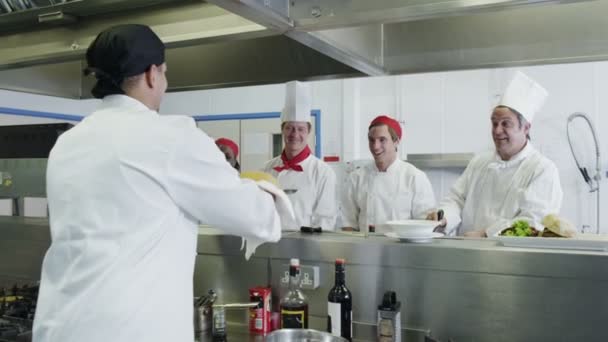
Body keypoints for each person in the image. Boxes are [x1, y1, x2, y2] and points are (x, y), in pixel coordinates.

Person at [32, 24, 283, 342]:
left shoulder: (67, 143)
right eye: (164, 73)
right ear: (153, 74)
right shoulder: (170, 138)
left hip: (60, 326)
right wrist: (267, 189)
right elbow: (257, 217)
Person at [428, 71, 563, 237]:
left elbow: (533, 222)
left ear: (526, 128)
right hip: (469, 254)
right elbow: (457, 199)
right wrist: (444, 218)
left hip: (515, 259)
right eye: (494, 123)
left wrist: (486, 234)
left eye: (506, 124)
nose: (498, 131)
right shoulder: (480, 162)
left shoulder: (542, 169)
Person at [341, 115, 436, 233]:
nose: (375, 146)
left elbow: (425, 224)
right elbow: (348, 223)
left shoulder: (414, 177)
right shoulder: (356, 178)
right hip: (366, 248)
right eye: (371, 140)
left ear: (396, 141)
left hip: (403, 249)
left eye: (382, 140)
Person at [263, 81, 337, 230]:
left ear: (308, 132)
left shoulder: (323, 172)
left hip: (305, 250)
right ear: (282, 130)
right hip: (270, 247)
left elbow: (325, 221)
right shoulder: (266, 169)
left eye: (300, 129)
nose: (294, 134)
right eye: (289, 128)